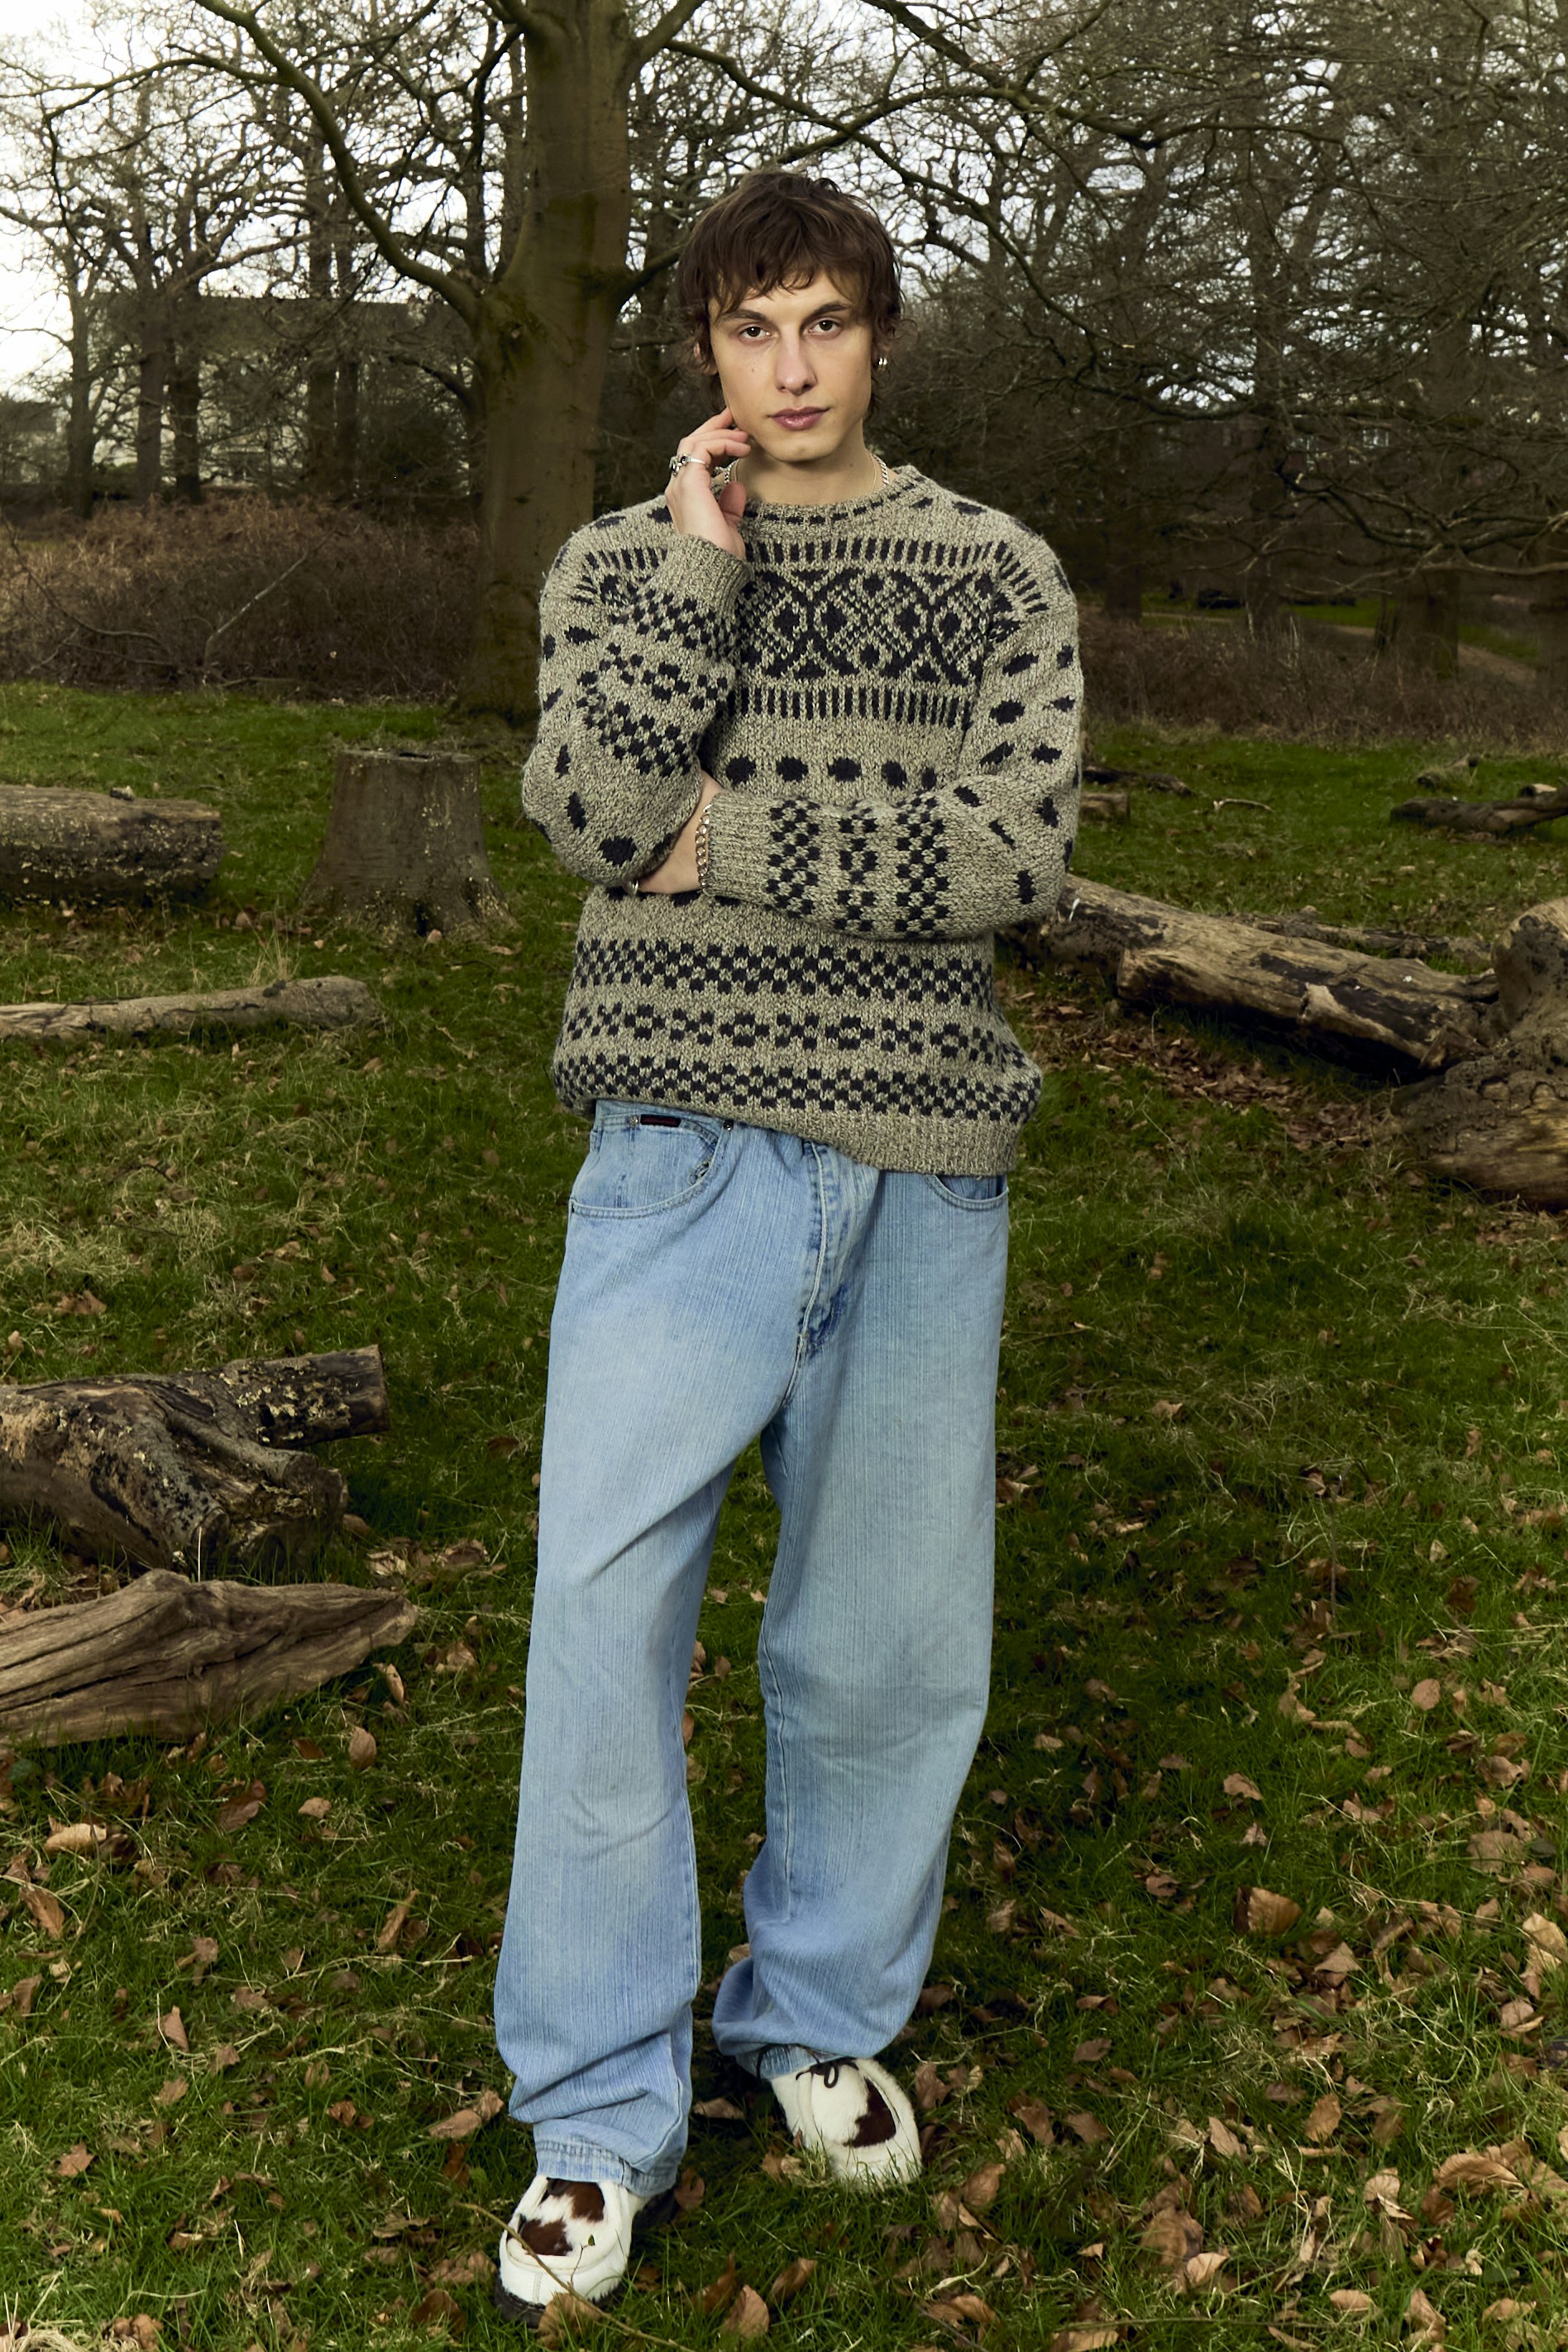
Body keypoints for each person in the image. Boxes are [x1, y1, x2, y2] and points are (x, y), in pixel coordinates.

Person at [493, 167, 1083, 2321]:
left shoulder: (996, 573)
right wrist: (700, 576)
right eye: (756, 330)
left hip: (924, 1154)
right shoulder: (629, 567)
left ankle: (814, 2003)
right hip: (680, 1152)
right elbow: (581, 809)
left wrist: (728, 834)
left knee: (886, 1636)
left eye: (830, 322)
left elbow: (1011, 858)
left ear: (885, 336)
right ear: (708, 351)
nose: (796, 366)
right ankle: (595, 2111)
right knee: (600, 1608)